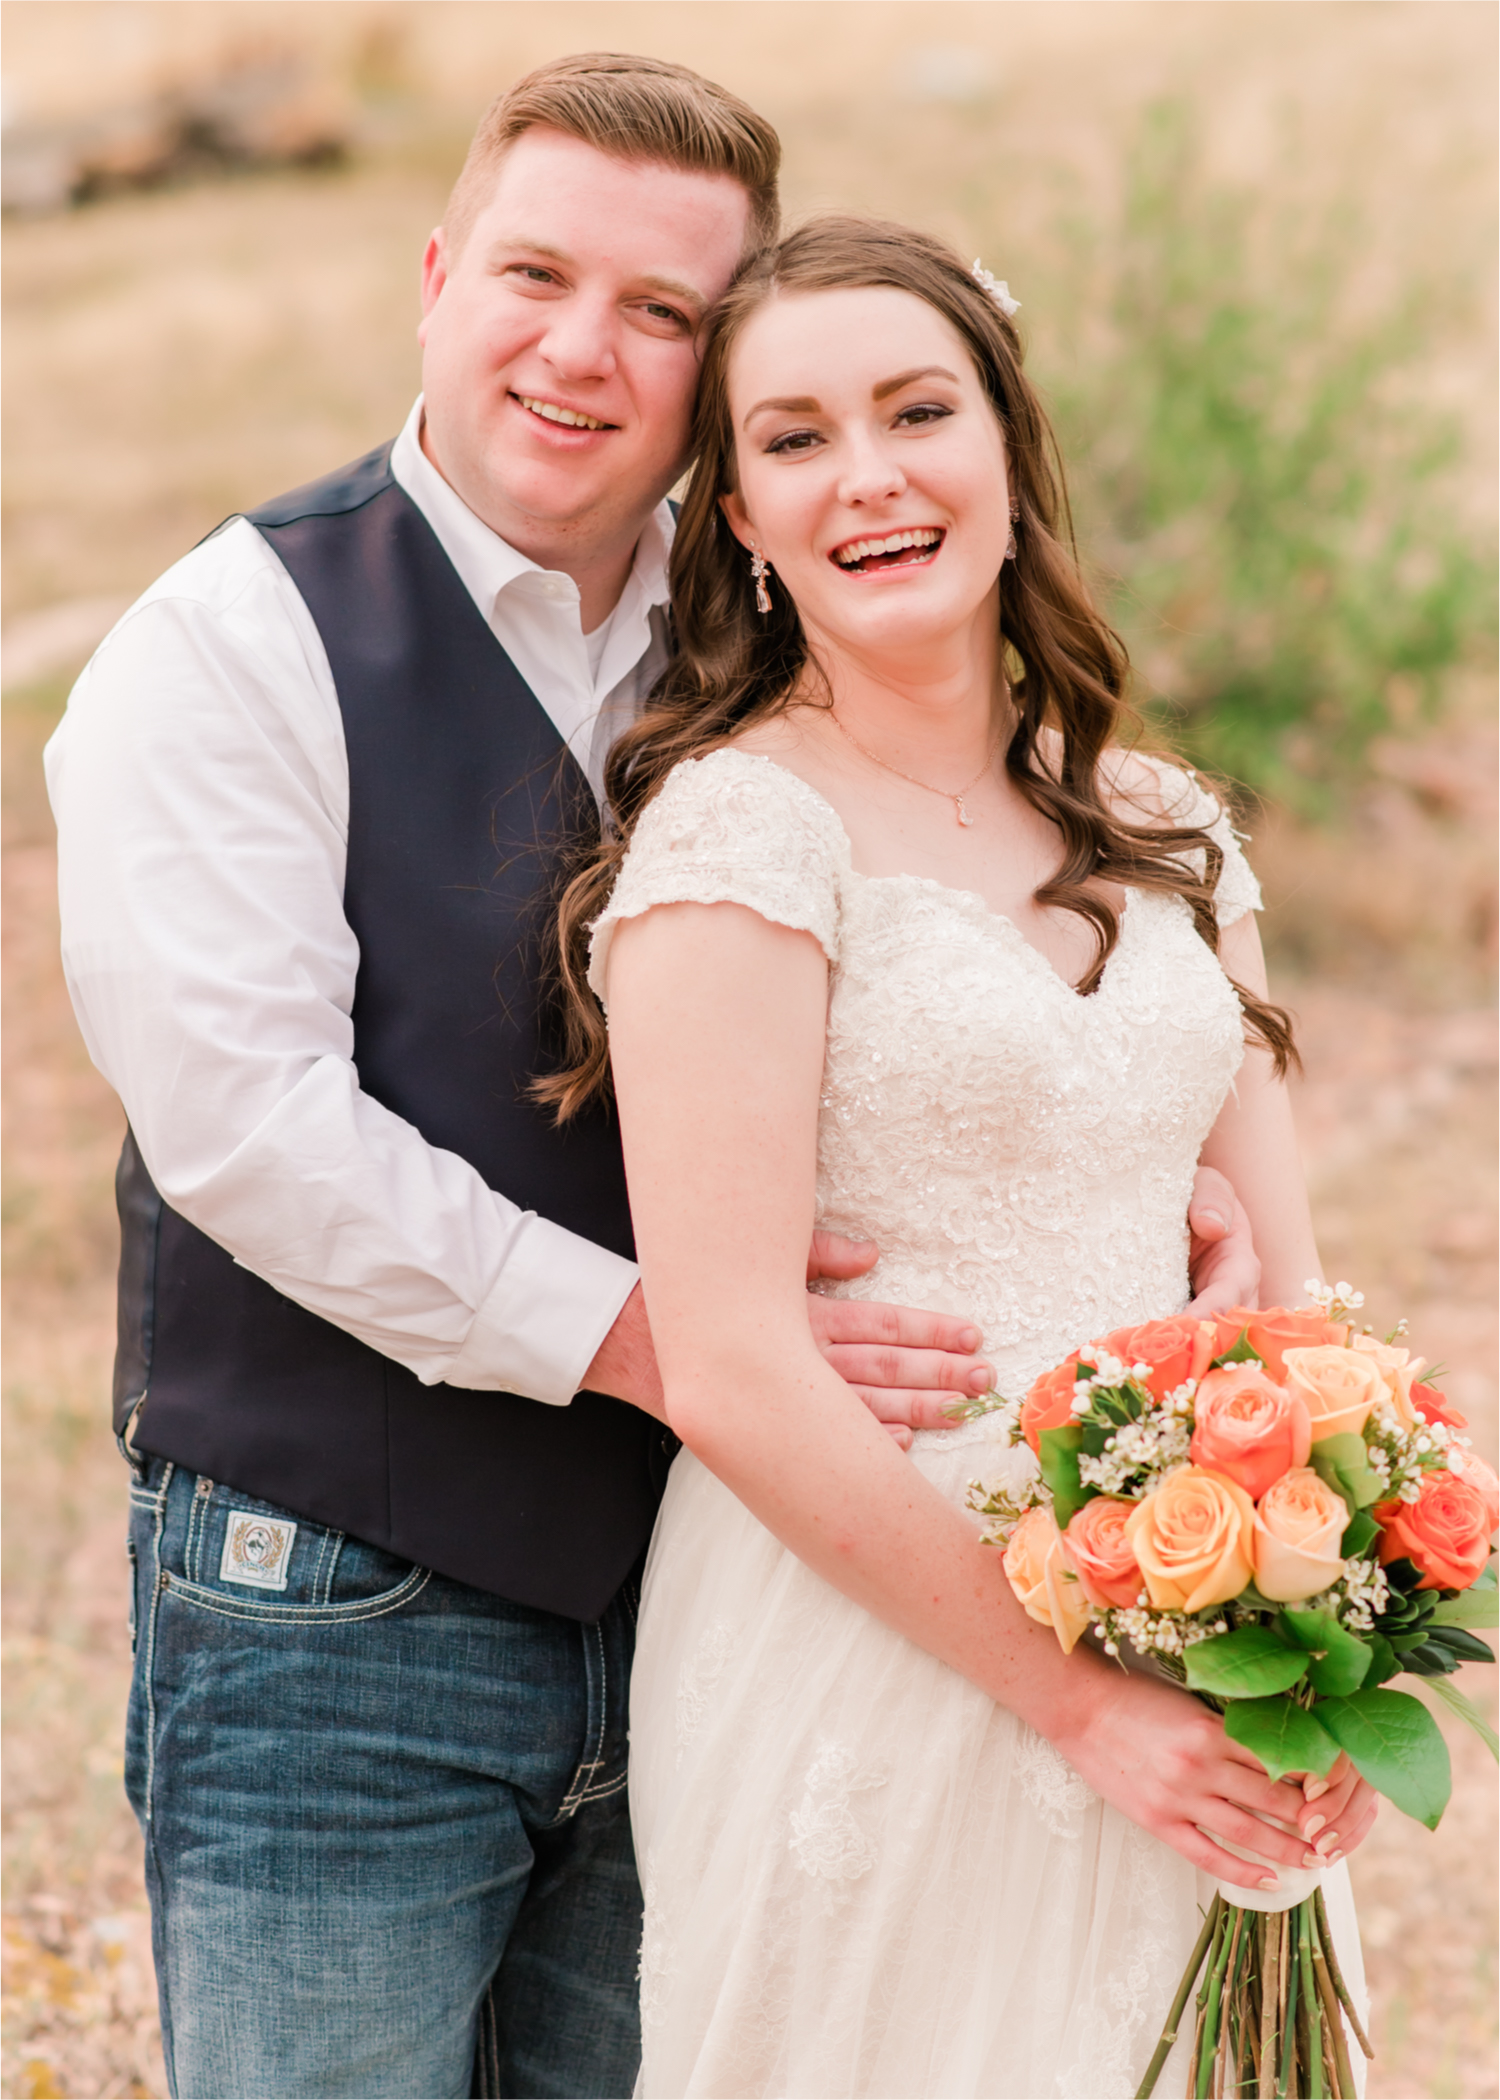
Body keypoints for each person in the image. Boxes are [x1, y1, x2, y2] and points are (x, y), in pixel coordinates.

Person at [46, 57, 1259, 2100]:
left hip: (725, 1593)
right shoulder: (228, 645)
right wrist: (662, 1341)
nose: (580, 351)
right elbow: (252, 1130)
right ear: (438, 274)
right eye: (536, 274)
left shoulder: (777, 615)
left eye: (665, 312)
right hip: (343, 1596)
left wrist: (1112, 1137)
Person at [557, 216, 1375, 2097]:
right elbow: (743, 1369)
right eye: (794, 438)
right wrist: (1080, 1709)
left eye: (918, 409)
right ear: (742, 520)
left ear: (1007, 444)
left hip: (1204, 1605)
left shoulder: (1168, 829)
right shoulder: (737, 842)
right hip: (872, 1623)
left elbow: (1301, 1296)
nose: (870, 476)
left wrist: (1327, 1632)